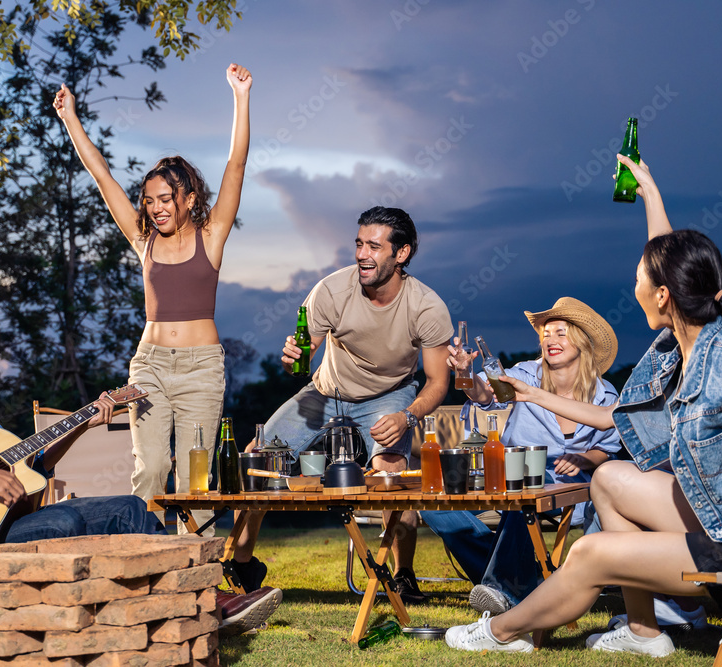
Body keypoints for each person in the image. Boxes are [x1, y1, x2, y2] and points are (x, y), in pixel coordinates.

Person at [444, 158, 722, 656]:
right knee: (608, 479)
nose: (632, 288)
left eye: (639, 280)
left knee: (590, 551)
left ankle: (502, 632)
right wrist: (651, 194)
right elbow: (622, 417)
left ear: (662, 296)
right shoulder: (677, 352)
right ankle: (644, 631)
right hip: (721, 516)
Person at [0, 325, 280, 636]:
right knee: (66, 524)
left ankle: (205, 597)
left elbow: (35, 470)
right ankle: (198, 604)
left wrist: (81, 425)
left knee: (129, 506)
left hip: (4, 525)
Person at [52, 64, 252, 532]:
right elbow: (102, 177)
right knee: (151, 470)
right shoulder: (144, 242)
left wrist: (241, 98)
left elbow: (236, 166)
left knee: (194, 476)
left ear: (187, 198)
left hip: (202, 367)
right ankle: (148, 566)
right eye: (149, 199)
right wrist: (70, 120)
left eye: (166, 198)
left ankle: (195, 575)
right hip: (151, 366)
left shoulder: (213, 234)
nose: (156, 207)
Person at [229, 206, 453, 602]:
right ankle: (243, 565)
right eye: (359, 244)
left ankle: (401, 573)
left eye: (374, 246)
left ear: (401, 254)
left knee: (390, 473)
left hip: (390, 394)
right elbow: (302, 359)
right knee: (257, 460)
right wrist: (292, 360)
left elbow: (438, 383)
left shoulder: (426, 306)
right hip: (327, 391)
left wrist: (407, 416)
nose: (362, 254)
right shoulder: (331, 290)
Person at [421, 297, 621, 615]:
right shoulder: (525, 375)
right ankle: (526, 584)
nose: (550, 340)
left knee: (532, 490)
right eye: (545, 333)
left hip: (571, 486)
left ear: (582, 340)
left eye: (560, 332)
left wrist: (585, 459)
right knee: (434, 505)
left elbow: (607, 450)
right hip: (511, 476)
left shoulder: (605, 394)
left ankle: (513, 587)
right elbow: (487, 395)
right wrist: (466, 375)